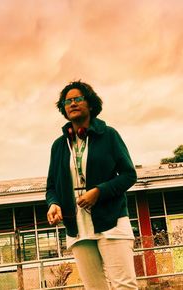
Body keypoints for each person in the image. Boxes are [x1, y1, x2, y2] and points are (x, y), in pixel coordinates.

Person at [46, 80, 138, 290]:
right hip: (77, 227)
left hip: (111, 221)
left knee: (124, 285)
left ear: (90, 104)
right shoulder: (59, 146)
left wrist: (99, 192)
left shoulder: (109, 135)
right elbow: (52, 186)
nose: (73, 103)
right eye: (67, 101)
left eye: (78, 98)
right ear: (63, 108)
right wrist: (54, 204)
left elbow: (128, 175)